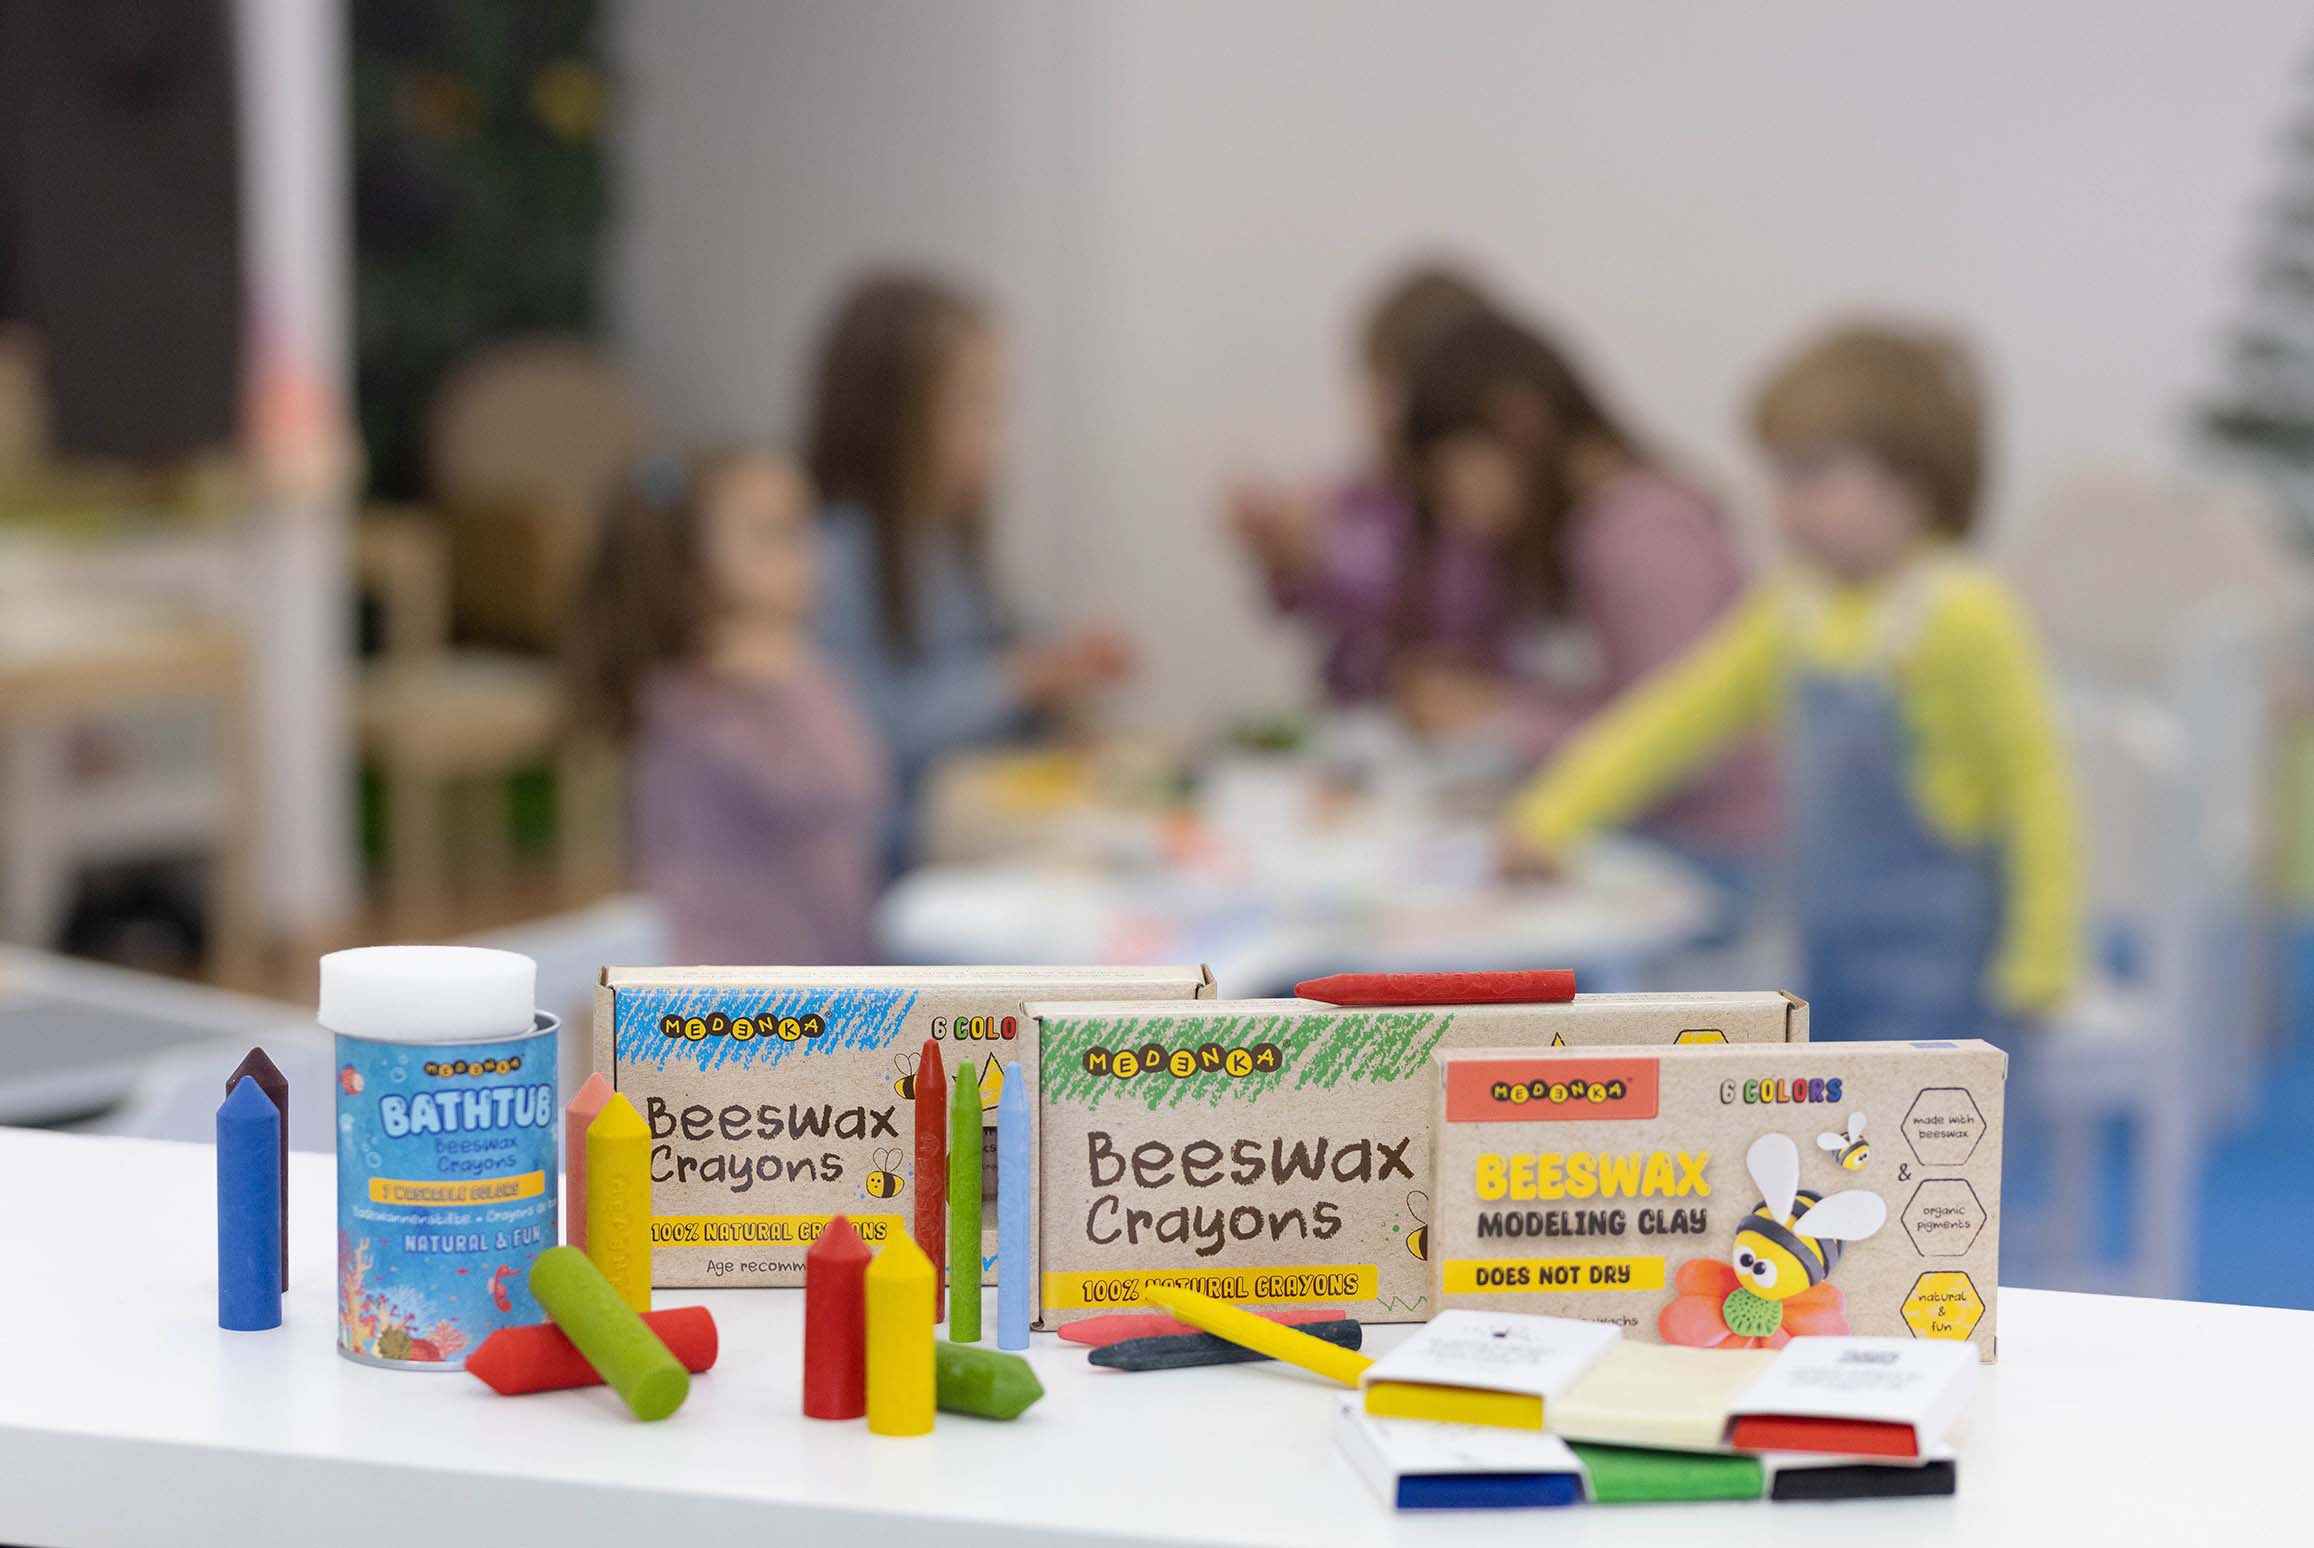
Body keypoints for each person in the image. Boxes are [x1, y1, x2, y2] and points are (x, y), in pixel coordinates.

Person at [1503, 320, 2081, 1043]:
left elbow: (2036, 789)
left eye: (1813, 476)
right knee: (1843, 1140)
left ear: (1910, 479)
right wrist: (1552, 813)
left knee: (1941, 1148)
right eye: (1778, 477)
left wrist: (2043, 962)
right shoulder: (1793, 611)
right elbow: (1677, 714)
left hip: (1950, 974)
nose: (1785, 506)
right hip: (1826, 949)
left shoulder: (1965, 613)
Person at [1400, 309, 1778, 888]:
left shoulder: (1639, 534)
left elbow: (1680, 747)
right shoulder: (1603, 528)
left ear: (1517, 421)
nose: (1458, 513)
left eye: (1453, 476)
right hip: (1681, 848)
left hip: (1716, 862)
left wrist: (1502, 721)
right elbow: (1634, 702)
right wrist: (1499, 705)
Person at [806, 272, 1130, 867]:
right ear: (889, 414)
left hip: (979, 841)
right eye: (974, 405)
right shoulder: (831, 557)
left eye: (998, 406)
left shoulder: (947, 545)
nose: (997, 440)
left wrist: (1061, 672)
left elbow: (1009, 646)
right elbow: (861, 735)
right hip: (900, 868)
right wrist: (1016, 679)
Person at [567, 448, 890, 964]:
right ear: (691, 566)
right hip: (743, 1001)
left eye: (803, 529)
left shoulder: (755, 681)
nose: (808, 555)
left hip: (802, 972)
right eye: (773, 536)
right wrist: (800, 681)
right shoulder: (701, 704)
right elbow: (851, 786)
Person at [1228, 263, 1506, 702]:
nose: (1384, 406)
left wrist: (1320, 557)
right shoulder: (1353, 493)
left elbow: (1449, 605)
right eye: (1377, 379)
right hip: (1354, 729)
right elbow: (1286, 607)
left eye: (1404, 384)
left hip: (1469, 738)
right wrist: (1281, 552)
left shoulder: (1486, 500)